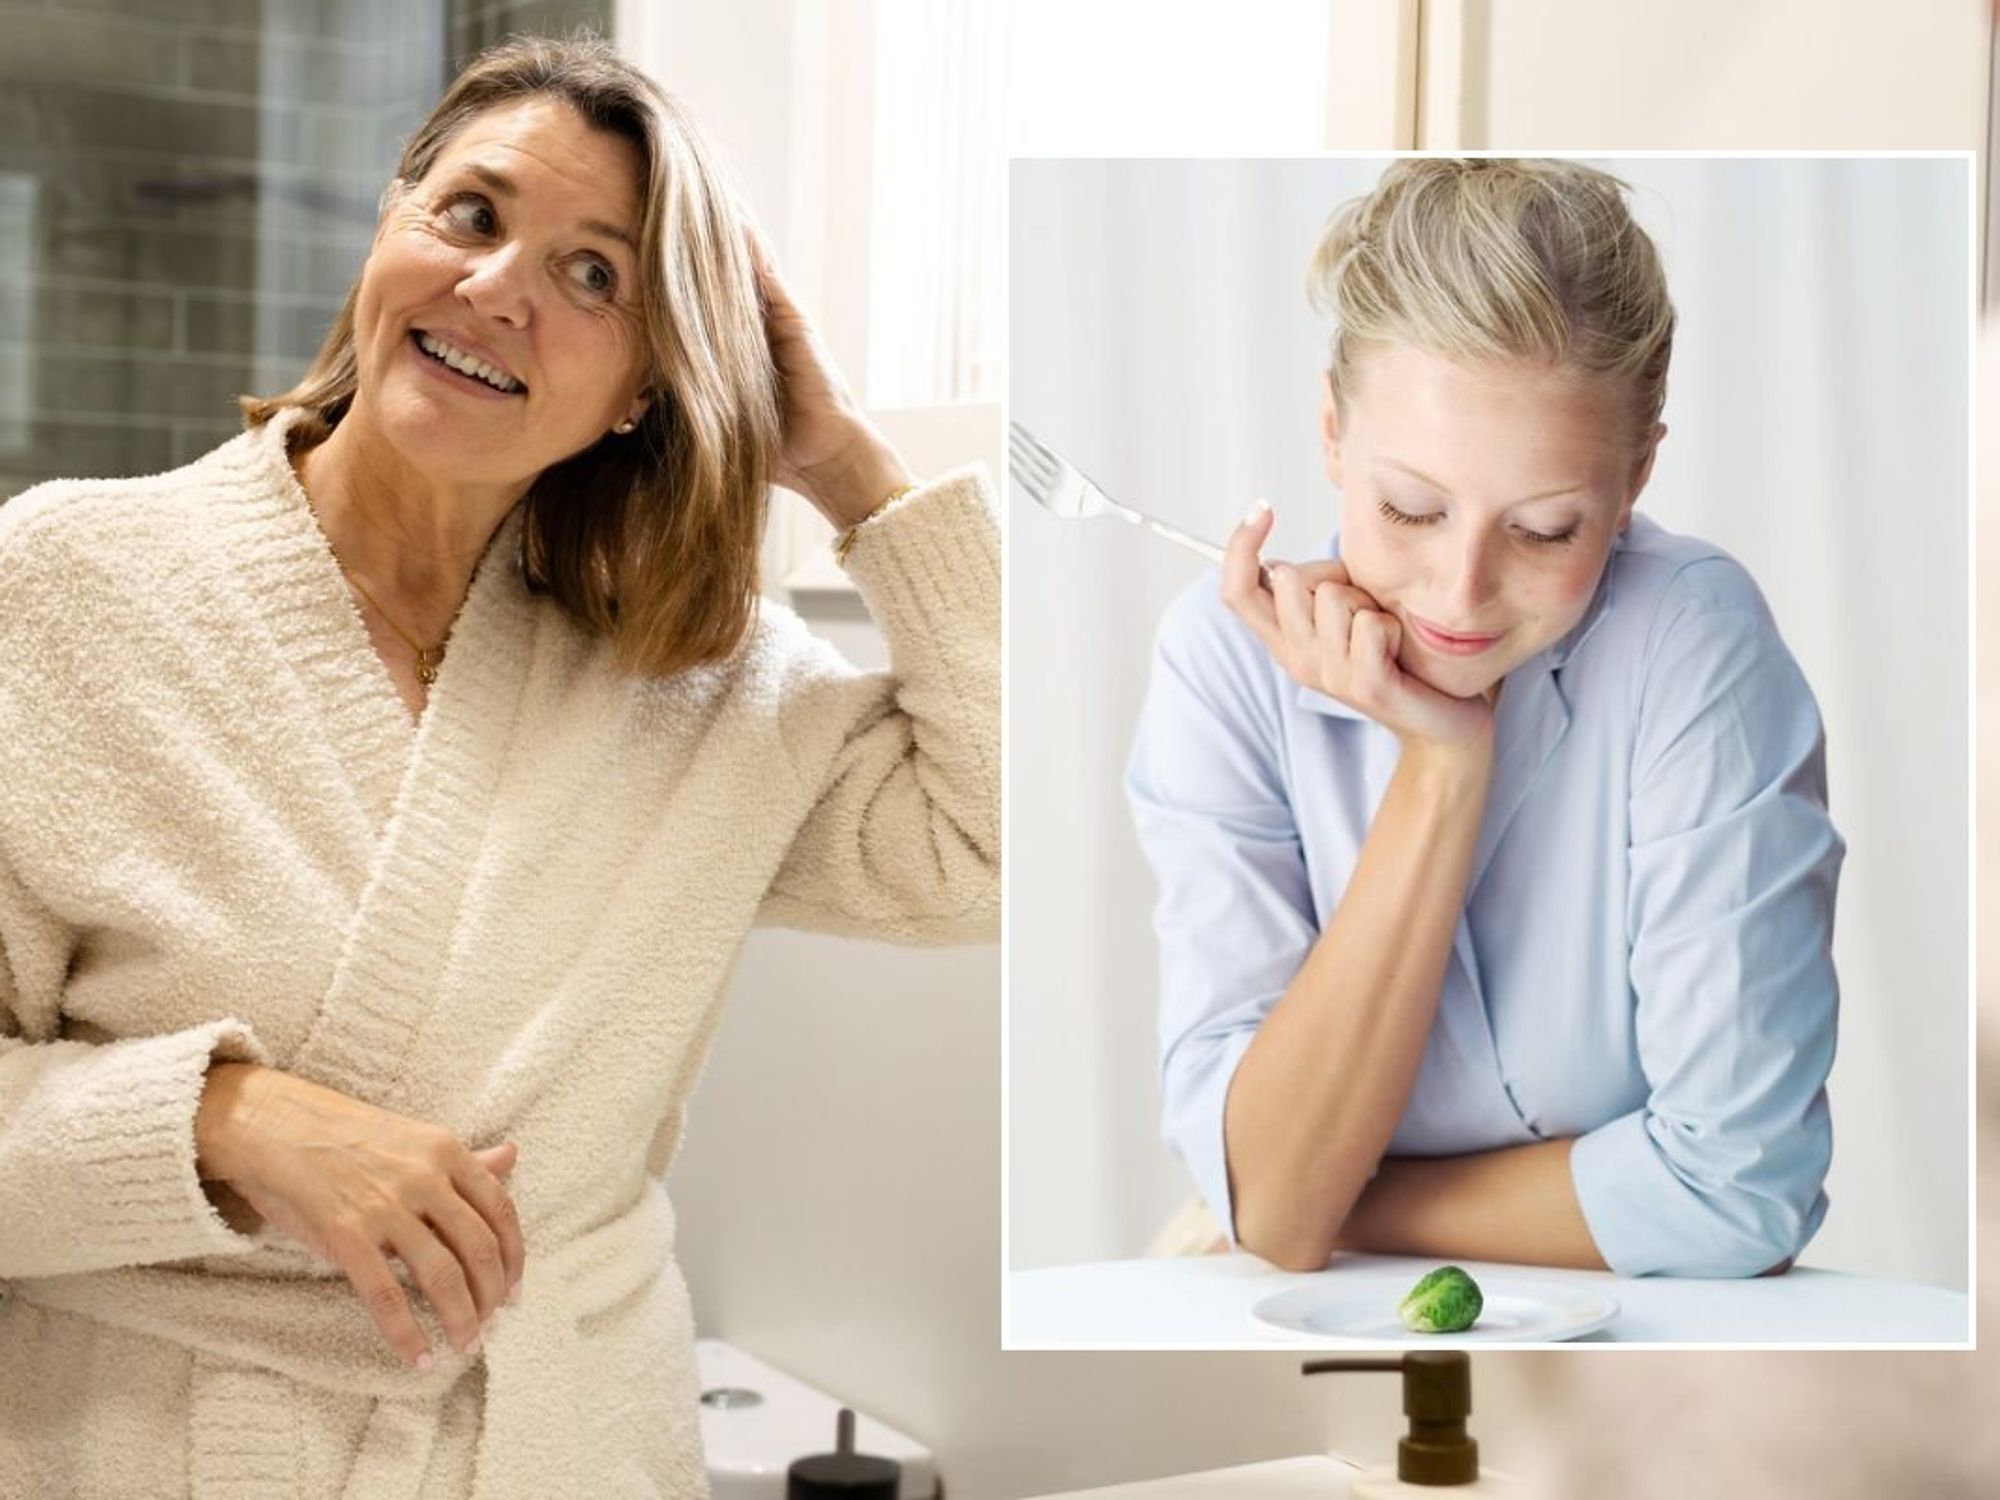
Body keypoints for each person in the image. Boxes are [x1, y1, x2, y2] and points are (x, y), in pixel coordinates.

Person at [0, 34, 996, 1499]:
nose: (498, 288)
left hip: (567, 1447)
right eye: (470, 214)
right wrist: (224, 1120)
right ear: (388, 224)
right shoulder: (68, 584)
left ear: (647, 385)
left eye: (594, 276)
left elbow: (1000, 849)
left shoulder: (698, 676)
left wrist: (849, 467)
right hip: (163, 1444)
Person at [1128, 158, 1841, 1278]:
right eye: (1410, 508)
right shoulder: (1223, 661)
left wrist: (1337, 1203)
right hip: (1290, 1308)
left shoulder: (1691, 643)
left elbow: (1739, 1193)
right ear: (1331, 434)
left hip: (1629, 1330)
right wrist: (1442, 763)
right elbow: (1268, 1208)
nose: (1459, 596)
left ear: (1635, 476)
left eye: (1546, 529)